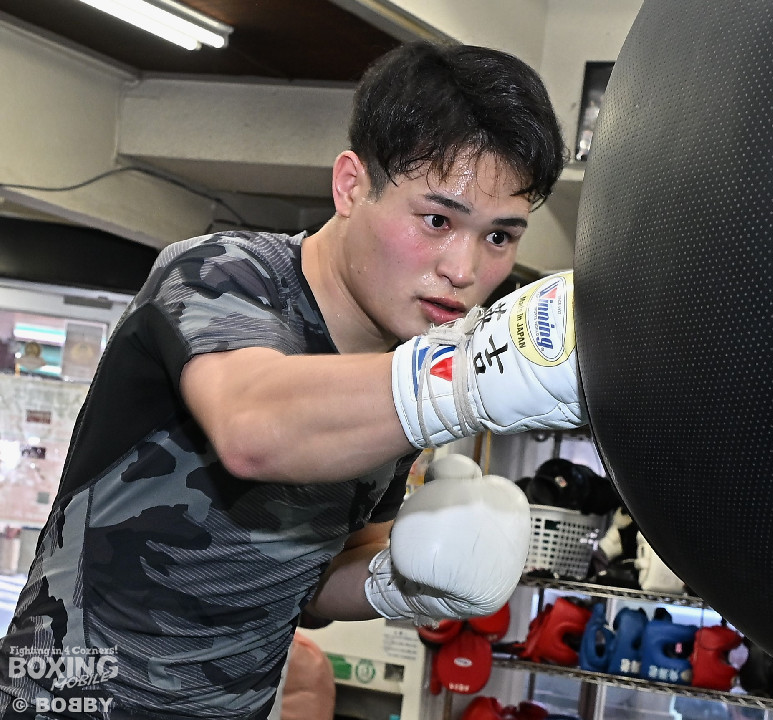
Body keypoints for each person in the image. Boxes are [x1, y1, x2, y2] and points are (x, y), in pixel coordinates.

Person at [0, 40, 582, 719]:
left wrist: (400, 581)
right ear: (351, 186)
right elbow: (253, 427)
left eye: (499, 237)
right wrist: (465, 379)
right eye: (436, 220)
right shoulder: (222, 275)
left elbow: (312, 584)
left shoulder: (402, 366)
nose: (464, 269)